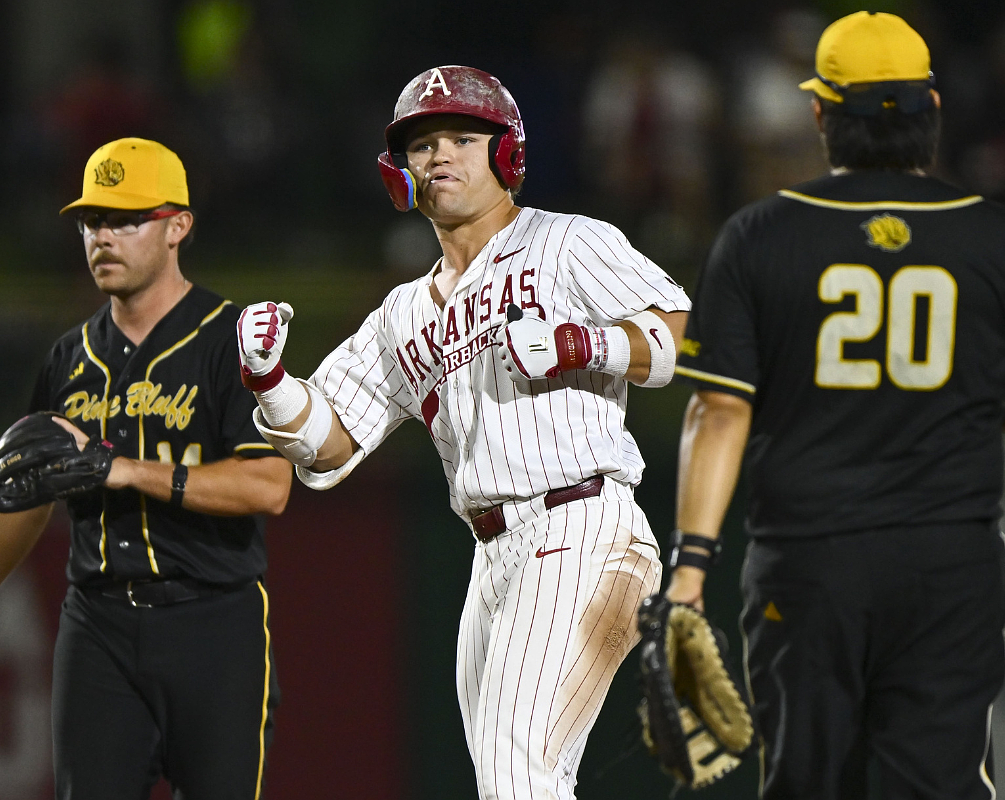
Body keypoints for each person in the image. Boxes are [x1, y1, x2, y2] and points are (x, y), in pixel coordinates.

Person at [236, 66, 690, 800]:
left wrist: (586, 345)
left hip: (581, 523)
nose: (440, 154)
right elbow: (330, 443)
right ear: (401, 172)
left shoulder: (567, 242)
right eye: (421, 143)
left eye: (462, 137)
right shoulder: (401, 313)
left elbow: (682, 335)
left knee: (517, 774)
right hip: (493, 555)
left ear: (505, 153)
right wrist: (270, 382)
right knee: (514, 781)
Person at [665, 12, 1005, 799]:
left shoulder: (758, 235)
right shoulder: (1002, 242)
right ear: (932, 109)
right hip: (947, 563)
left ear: (820, 115)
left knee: (807, 786)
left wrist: (690, 568)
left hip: (809, 560)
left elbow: (720, 411)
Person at [0, 137, 293, 800]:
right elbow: (26, 494)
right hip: (99, 627)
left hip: (213, 623)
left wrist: (125, 470)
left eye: (126, 220)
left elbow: (269, 485)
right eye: (91, 221)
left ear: (179, 225)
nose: (102, 236)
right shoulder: (69, 358)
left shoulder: (230, 339)